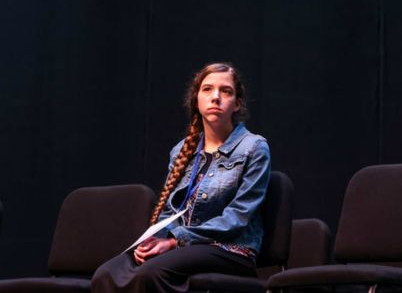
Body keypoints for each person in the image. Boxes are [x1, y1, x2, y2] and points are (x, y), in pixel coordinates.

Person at [91, 63, 270, 293]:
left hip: (231, 249)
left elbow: (237, 216)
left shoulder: (253, 147)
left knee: (151, 273)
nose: (216, 97)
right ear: (197, 99)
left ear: (237, 103)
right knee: (106, 274)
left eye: (225, 91)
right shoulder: (181, 151)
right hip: (183, 245)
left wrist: (175, 241)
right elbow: (169, 212)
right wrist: (154, 240)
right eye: (207, 89)